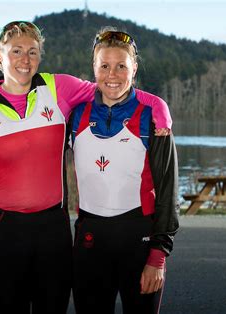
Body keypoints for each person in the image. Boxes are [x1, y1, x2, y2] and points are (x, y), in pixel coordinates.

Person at [0, 21, 172, 314]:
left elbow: (111, 89)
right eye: (16, 50)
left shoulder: (58, 88)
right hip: (6, 234)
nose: (25, 59)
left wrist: (160, 107)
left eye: (32, 52)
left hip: (54, 232)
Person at [69, 27, 179, 314]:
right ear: (93, 68)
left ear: (134, 68)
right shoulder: (76, 114)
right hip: (90, 238)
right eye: (104, 66)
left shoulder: (151, 117)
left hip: (138, 240)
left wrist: (158, 256)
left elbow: (168, 188)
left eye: (121, 66)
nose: (112, 75)